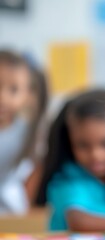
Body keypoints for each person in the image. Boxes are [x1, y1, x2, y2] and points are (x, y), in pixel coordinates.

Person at [35, 89, 105, 231]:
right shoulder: (65, 178)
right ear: (69, 141)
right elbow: (78, 222)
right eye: (83, 145)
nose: (96, 155)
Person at [0, 50, 48, 215]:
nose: (3, 97)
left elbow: (35, 170)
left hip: (13, 213)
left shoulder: (28, 132)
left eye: (13, 90)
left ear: (27, 95)